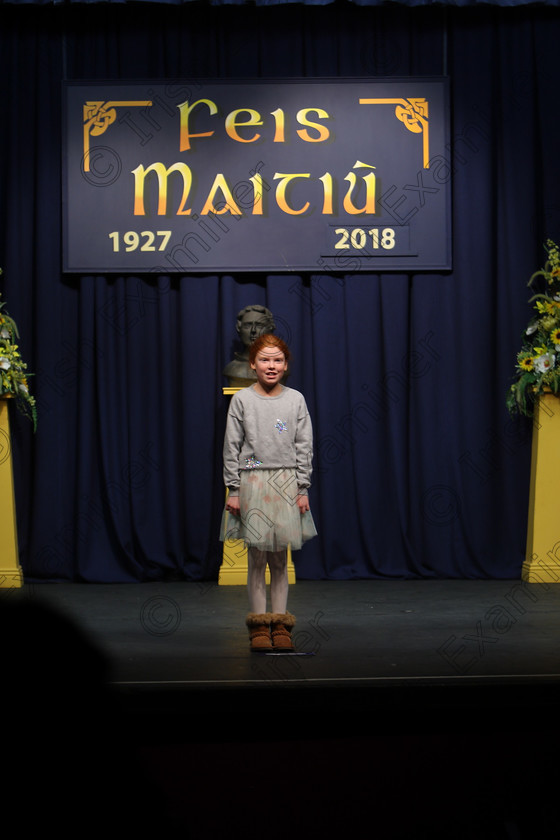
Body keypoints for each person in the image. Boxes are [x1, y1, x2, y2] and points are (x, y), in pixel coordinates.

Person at [220, 333, 317, 651]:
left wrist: (303, 486)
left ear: (286, 364)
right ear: (252, 364)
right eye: (265, 359)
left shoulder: (295, 400)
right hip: (253, 483)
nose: (271, 365)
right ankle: (258, 626)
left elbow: (304, 446)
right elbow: (231, 447)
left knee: (279, 560)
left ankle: (280, 624)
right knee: (256, 560)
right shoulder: (242, 400)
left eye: (277, 359)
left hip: (286, 483)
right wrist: (233, 489)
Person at [222, 304, 276, 387]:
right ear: (239, 329)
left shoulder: (277, 368)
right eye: (248, 325)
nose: (253, 330)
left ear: (270, 329)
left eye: (259, 326)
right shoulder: (232, 369)